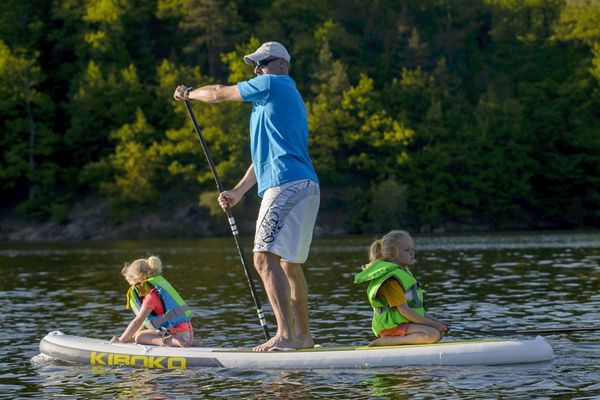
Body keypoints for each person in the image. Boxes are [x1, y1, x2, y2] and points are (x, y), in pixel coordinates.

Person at [173, 41, 320, 351]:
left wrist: (188, 94)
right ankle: (303, 338)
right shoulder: (274, 103)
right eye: (255, 64)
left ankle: (283, 335)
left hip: (286, 186)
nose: (257, 69)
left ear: (281, 63)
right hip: (305, 186)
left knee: (264, 259)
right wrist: (238, 192)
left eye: (263, 62)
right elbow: (263, 159)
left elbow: (218, 93)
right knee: (289, 265)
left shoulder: (273, 84)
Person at [354, 230, 448, 346]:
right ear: (392, 255)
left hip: (403, 323)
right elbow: (405, 311)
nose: (412, 253)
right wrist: (434, 325)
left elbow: (416, 310)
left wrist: (437, 322)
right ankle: (385, 341)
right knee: (432, 334)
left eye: (412, 249)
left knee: (438, 331)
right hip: (391, 327)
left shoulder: (403, 274)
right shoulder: (391, 281)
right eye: (407, 250)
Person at [111, 256, 198, 347]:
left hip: (178, 335)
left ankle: (170, 341)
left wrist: (121, 340)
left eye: (132, 284)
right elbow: (145, 324)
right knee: (138, 335)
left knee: (139, 337)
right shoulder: (158, 291)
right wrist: (127, 338)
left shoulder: (150, 296)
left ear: (138, 280)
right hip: (188, 334)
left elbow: (137, 321)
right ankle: (193, 343)